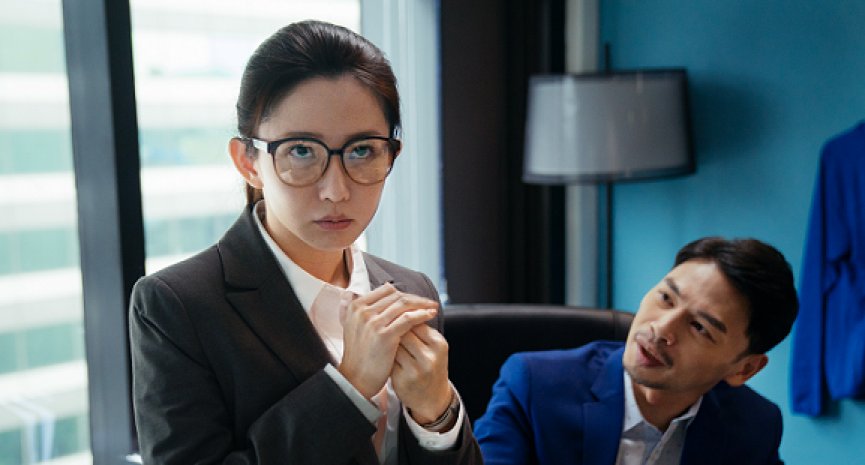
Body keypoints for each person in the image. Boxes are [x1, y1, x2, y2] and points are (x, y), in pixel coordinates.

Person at [129, 20, 481, 465]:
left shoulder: (412, 291)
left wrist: (437, 416)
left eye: (362, 150)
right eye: (300, 151)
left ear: (392, 154)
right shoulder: (177, 306)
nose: (336, 190)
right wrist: (350, 387)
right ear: (249, 161)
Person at [474, 237, 799, 465]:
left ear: (744, 369)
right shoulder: (534, 385)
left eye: (699, 327)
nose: (662, 329)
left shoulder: (754, 426)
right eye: (666, 298)